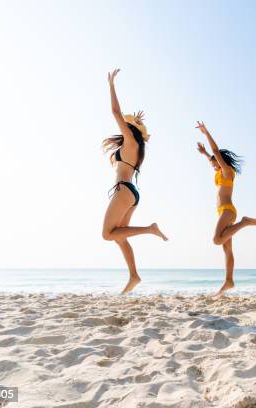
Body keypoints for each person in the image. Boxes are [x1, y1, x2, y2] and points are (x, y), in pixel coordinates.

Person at [101, 68, 168, 294]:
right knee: (121, 237)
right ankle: (134, 276)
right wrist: (136, 123)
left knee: (107, 234)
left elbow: (115, 112)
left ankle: (150, 229)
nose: (124, 126)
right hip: (131, 193)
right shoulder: (134, 147)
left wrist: (111, 85)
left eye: (128, 126)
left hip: (124, 191)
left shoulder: (131, 142)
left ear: (131, 130)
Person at [196, 121, 256, 296]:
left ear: (221, 162)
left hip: (227, 210)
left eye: (214, 162)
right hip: (222, 211)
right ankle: (229, 280)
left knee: (216, 240)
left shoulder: (227, 171)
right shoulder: (219, 172)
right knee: (227, 249)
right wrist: (204, 154)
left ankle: (244, 223)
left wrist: (206, 132)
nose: (212, 164)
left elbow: (216, 153)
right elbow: (213, 157)